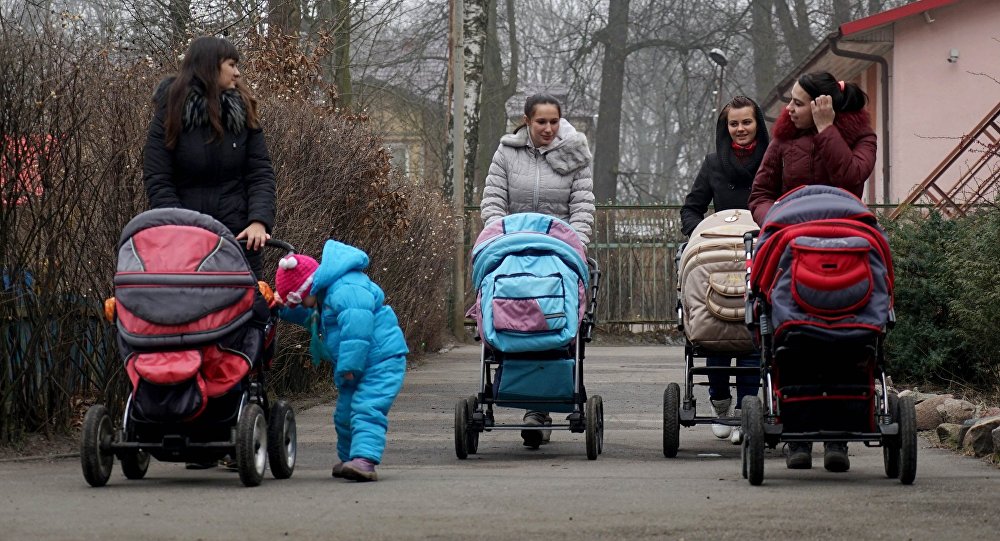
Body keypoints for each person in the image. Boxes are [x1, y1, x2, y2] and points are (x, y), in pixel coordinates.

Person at [748, 71, 877, 473]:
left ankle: (838, 436)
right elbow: (760, 194)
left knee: (845, 340)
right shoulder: (783, 141)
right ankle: (797, 437)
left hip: (845, 252)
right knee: (793, 337)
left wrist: (827, 131)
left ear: (824, 105)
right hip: (791, 253)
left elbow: (851, 180)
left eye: (798, 102)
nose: (789, 109)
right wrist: (779, 222)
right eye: (790, 101)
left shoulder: (861, 137)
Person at [480, 93, 595, 447]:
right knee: (512, 318)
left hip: (558, 254)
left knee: (550, 319)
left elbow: (582, 205)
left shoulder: (575, 155)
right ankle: (529, 402)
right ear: (527, 121)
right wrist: (498, 236)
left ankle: (538, 410)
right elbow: (494, 200)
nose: (547, 128)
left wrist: (574, 243)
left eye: (553, 121)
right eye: (540, 122)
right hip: (513, 250)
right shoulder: (506, 154)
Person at [143, 35, 276, 280]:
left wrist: (259, 221)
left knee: (248, 312)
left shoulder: (244, 112)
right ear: (209, 67)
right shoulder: (170, 111)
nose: (237, 73)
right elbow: (158, 177)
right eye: (231, 65)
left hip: (238, 238)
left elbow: (260, 173)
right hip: (184, 240)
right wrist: (180, 226)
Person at [275, 240, 408, 482]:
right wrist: (279, 307)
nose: (302, 305)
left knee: (367, 408)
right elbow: (307, 313)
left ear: (308, 289)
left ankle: (364, 460)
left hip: (382, 360)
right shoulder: (325, 293)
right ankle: (350, 459)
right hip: (358, 364)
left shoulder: (346, 287)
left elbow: (357, 327)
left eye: (298, 299)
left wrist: (348, 366)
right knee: (344, 414)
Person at [681, 96, 769, 445]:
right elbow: (691, 209)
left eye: (746, 122)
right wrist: (702, 235)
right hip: (719, 258)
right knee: (718, 328)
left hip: (760, 255)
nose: (740, 129)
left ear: (757, 124)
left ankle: (748, 406)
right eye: (734, 123)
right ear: (726, 127)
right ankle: (721, 405)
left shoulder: (772, 161)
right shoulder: (714, 163)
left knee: (750, 332)